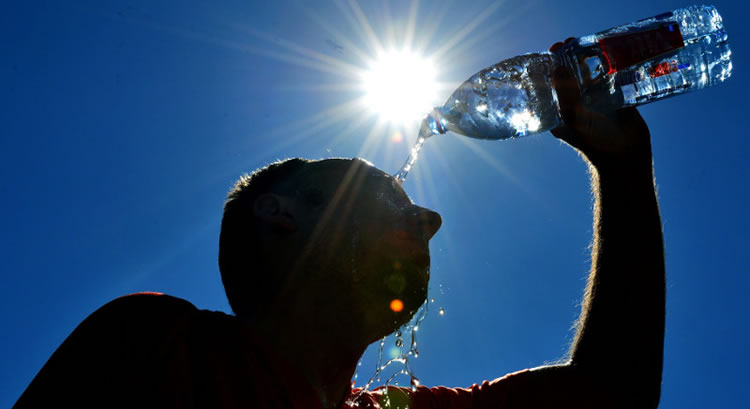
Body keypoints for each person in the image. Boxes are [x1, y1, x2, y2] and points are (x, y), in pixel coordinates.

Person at [14, 40, 665, 409]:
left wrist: (625, 171)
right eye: (385, 191)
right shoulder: (158, 348)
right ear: (282, 212)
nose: (431, 220)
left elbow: (609, 398)